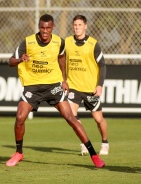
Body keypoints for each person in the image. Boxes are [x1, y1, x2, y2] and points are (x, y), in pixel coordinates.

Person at [6, 14, 105, 168]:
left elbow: (61, 58)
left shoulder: (59, 42)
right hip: (33, 86)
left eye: (48, 28)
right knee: (20, 117)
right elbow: (10, 61)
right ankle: (19, 152)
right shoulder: (28, 41)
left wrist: (64, 80)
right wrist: (20, 59)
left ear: (52, 28)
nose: (45, 31)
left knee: (71, 118)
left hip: (53, 86)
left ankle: (94, 155)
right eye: (42, 27)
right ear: (39, 27)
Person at [65, 15, 109, 156]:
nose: (77, 27)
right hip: (73, 86)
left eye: (79, 25)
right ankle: (85, 143)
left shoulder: (93, 44)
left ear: (85, 26)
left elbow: (102, 65)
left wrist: (100, 85)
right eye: (75, 25)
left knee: (98, 119)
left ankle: (105, 142)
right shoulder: (67, 42)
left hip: (90, 88)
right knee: (71, 116)